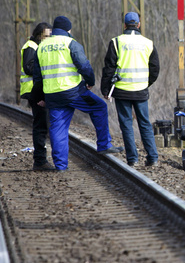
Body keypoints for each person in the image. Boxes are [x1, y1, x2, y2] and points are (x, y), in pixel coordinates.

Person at [31, 15, 122, 171]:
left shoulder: (41, 47)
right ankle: (104, 145)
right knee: (99, 107)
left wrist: (40, 96)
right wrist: (90, 81)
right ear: (68, 29)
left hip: (53, 95)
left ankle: (60, 166)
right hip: (73, 92)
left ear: (54, 30)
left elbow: (37, 77)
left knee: (58, 128)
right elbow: (84, 66)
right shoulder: (70, 43)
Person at [101, 12, 160, 167]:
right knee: (145, 123)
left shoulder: (116, 42)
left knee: (126, 124)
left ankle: (132, 159)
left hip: (122, 90)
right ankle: (153, 157)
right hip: (141, 90)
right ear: (139, 25)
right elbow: (155, 69)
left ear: (125, 25)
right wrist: (146, 83)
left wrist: (106, 89)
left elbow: (109, 68)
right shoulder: (148, 43)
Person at [20, 22, 55, 171]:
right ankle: (40, 161)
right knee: (40, 126)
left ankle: (41, 159)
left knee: (42, 125)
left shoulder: (38, 46)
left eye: (50, 36)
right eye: (46, 36)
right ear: (39, 35)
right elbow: (28, 67)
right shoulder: (31, 47)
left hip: (38, 90)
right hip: (33, 91)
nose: (48, 39)